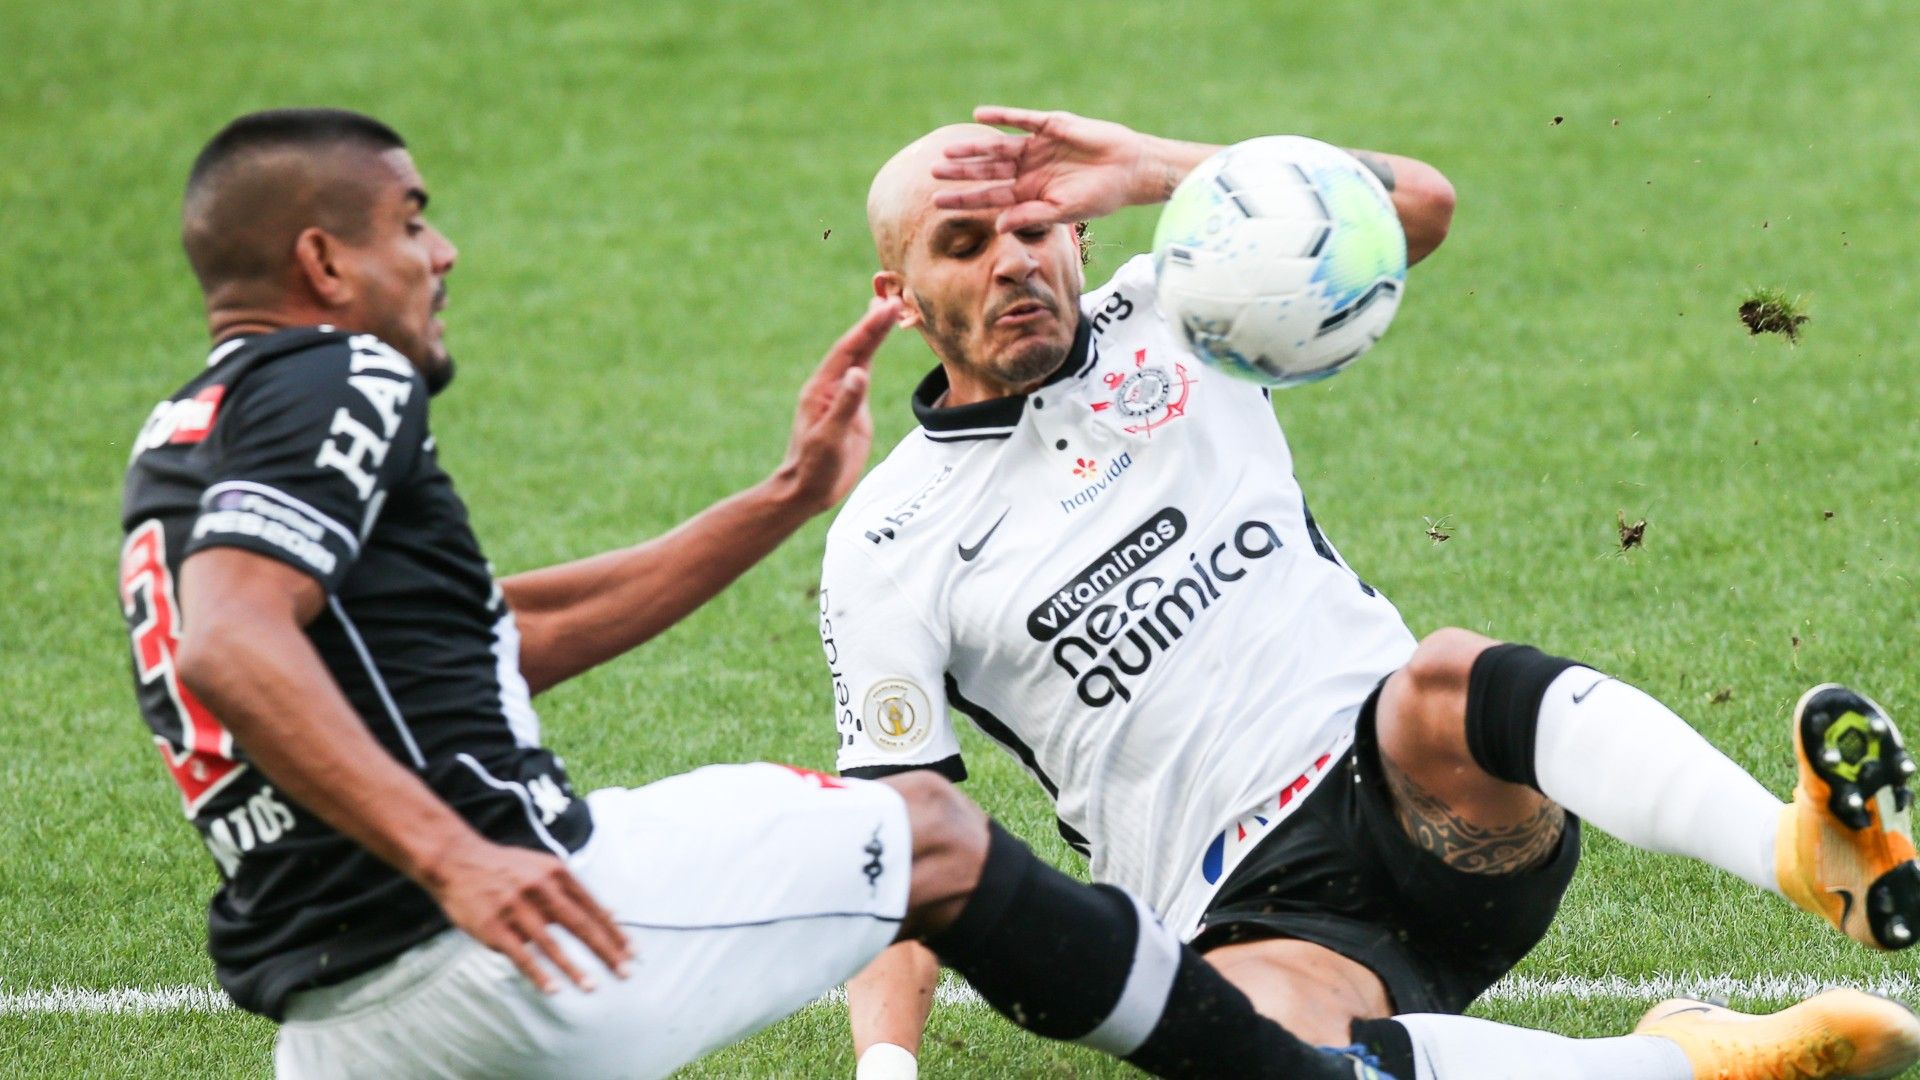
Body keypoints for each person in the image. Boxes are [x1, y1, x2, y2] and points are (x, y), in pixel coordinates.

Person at [117, 107, 1395, 1080]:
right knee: (931, 840)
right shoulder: (343, 376)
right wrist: (457, 858)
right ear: (322, 263)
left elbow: (486, 642)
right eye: (409, 222)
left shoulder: (179, 443)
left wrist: (780, 501)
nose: (440, 252)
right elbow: (233, 643)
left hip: (342, 1022)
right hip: (510, 922)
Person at [823, 106, 1920, 1080]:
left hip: (1420, 779)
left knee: (1442, 673)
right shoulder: (888, 538)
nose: (1013, 263)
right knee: (1271, 1050)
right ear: (901, 297)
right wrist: (886, 1070)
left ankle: (1802, 852)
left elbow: (1421, 208)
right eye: (964, 244)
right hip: (1246, 911)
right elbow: (911, 832)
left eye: (1032, 230)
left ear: (1075, 236)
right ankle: (1693, 1061)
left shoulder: (1174, 309)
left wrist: (1154, 167)